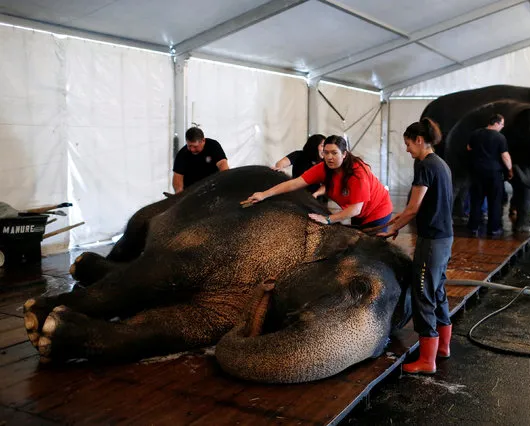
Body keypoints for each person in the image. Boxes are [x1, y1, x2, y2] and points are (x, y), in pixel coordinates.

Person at [378, 119, 454, 375]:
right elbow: (415, 208)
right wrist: (396, 221)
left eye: (408, 144)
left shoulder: (424, 166)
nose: (407, 149)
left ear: (419, 140)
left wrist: (392, 228)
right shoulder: (441, 164)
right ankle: (442, 347)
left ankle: (427, 361)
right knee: (438, 291)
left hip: (431, 241)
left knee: (423, 295)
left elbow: (413, 207)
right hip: (445, 238)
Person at [242, 135, 392, 230]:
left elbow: (355, 209)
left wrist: (328, 219)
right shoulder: (322, 168)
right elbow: (294, 183)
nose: (329, 157)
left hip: (377, 211)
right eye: (326, 153)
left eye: (334, 153)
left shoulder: (358, 172)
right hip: (359, 213)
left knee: (372, 252)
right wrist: (264, 194)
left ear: (344, 154)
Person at [466, 114, 513, 236]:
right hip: (494, 173)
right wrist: (510, 169)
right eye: (502, 124)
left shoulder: (475, 133)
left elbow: (468, 148)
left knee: (476, 201)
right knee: (495, 201)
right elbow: (505, 156)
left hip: (476, 172)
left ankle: (473, 227)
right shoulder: (500, 137)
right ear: (496, 123)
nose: (502, 127)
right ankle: (494, 228)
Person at [172, 127, 229, 193]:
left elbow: (222, 164)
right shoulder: (182, 154)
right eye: (189, 146)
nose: (192, 149)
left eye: (195, 146)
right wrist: (179, 194)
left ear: (203, 141)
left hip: (213, 187)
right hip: (191, 192)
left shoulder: (213, 146)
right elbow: (177, 177)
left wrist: (226, 182)